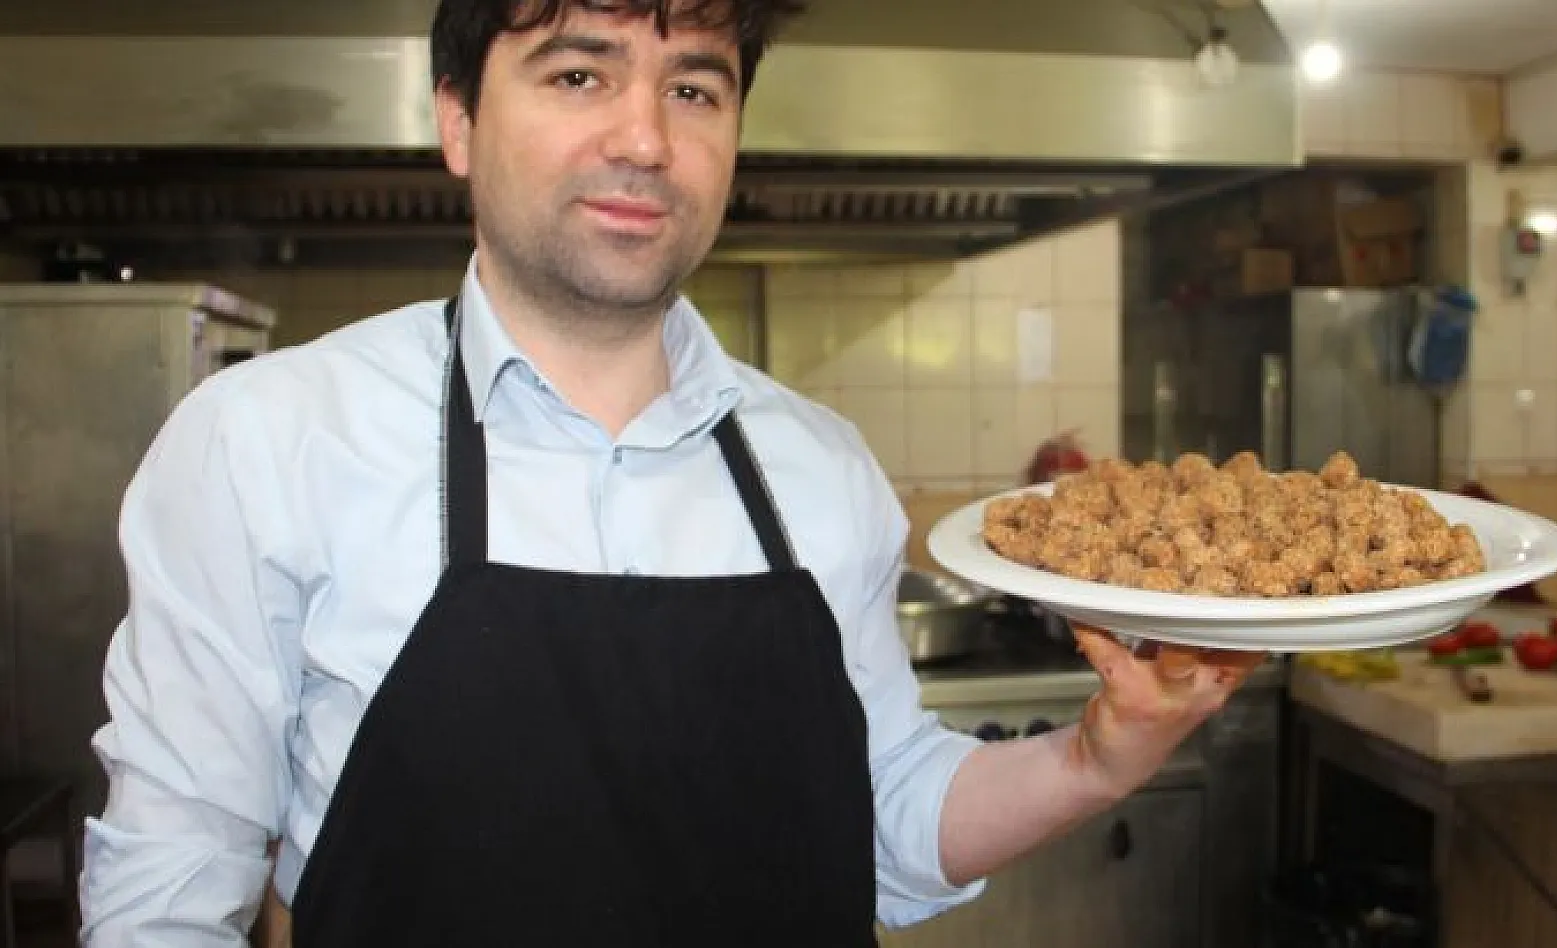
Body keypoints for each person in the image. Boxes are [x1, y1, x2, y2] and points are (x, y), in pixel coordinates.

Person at [78, 1, 1263, 944]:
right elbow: (166, 890)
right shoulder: (265, 442)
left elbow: (890, 821)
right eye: (577, 73)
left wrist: (1098, 758)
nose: (644, 139)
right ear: (455, 118)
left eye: (692, 86)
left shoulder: (815, 467)